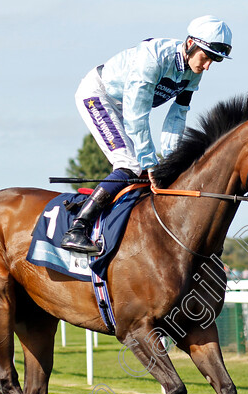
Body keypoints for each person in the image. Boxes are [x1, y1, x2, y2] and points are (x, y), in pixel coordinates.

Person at [61, 15, 233, 255]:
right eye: (206, 57)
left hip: (125, 108)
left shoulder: (193, 72)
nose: (207, 66)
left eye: (214, 61)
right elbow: (136, 113)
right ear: (191, 43)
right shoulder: (153, 58)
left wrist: (172, 163)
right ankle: (78, 228)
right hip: (99, 96)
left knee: (143, 172)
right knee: (131, 163)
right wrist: (151, 161)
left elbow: (177, 117)